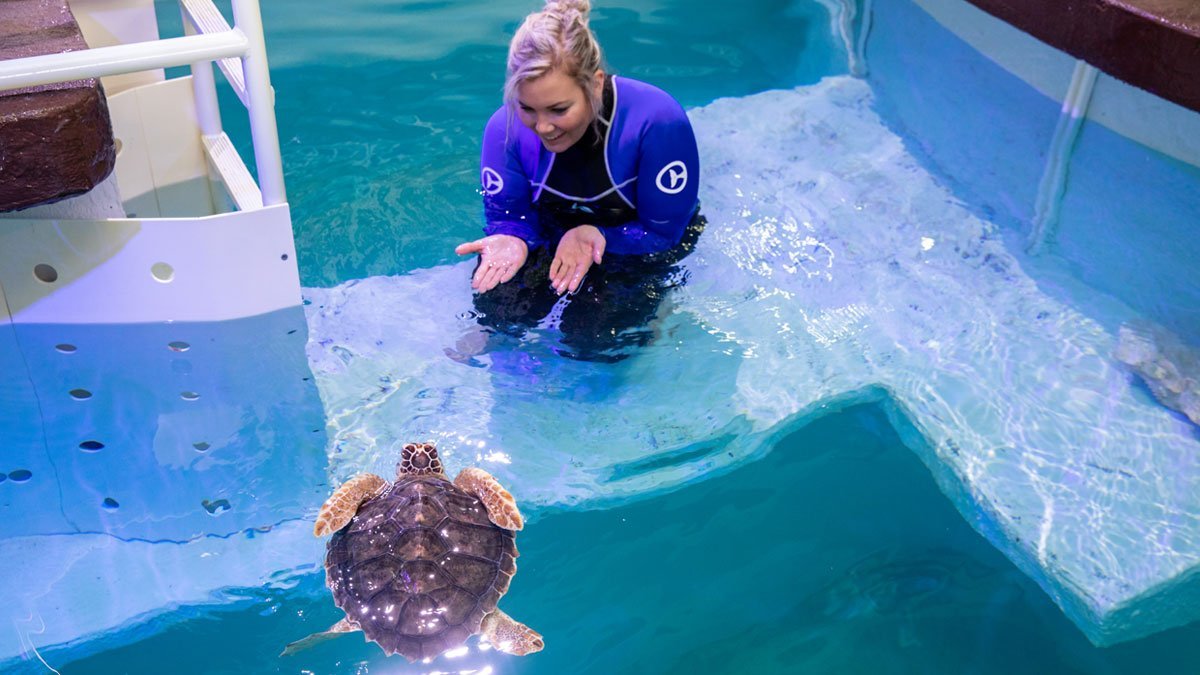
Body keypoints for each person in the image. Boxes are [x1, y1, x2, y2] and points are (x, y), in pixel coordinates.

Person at [454, 0, 703, 361]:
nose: (542, 127)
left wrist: (599, 236)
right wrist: (513, 237)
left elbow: (666, 232)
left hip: (637, 237)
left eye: (559, 110)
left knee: (594, 342)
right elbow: (511, 217)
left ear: (595, 84)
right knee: (500, 313)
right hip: (555, 228)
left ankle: (658, 317)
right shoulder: (503, 128)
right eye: (527, 108)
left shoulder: (655, 121)